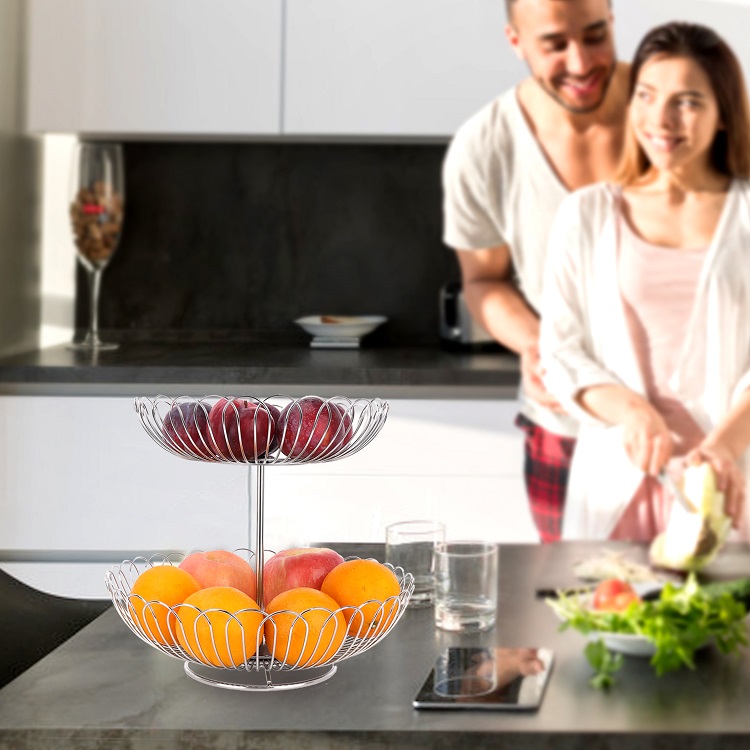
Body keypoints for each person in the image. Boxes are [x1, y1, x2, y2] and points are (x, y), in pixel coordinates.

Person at [540, 21, 750, 541]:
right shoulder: (584, 215)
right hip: (616, 486)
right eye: (648, 95)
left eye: (689, 101)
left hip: (729, 485)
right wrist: (632, 411)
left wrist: (724, 445)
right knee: (608, 618)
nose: (661, 118)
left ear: (723, 113)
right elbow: (560, 352)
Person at [442, 0, 630, 542]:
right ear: (515, 40)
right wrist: (534, 343)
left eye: (596, 34)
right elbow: (484, 281)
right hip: (564, 425)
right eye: (554, 44)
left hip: (690, 421)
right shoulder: (485, 147)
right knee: (575, 616)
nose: (581, 61)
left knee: (707, 616)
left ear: (613, 19)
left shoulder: (678, 113)